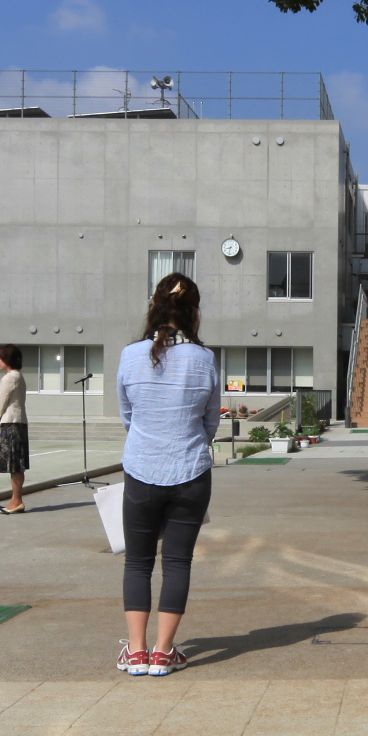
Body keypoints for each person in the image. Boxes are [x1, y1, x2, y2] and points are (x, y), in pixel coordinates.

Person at [114, 273, 220, 678]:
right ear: (193, 312)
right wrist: (188, 442)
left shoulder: (129, 355)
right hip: (191, 471)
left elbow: (127, 416)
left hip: (142, 470)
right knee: (178, 562)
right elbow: (211, 423)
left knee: (137, 564)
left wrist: (148, 440)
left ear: (153, 307)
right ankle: (163, 652)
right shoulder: (205, 359)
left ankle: (136, 652)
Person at [0, 345, 30, 512]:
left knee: (14, 465)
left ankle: (16, 500)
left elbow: (1, 400)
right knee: (16, 464)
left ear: (7, 360)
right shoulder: (18, 377)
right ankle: (15, 499)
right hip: (18, 422)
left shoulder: (9, 378)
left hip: (11, 422)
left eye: (0, 358)